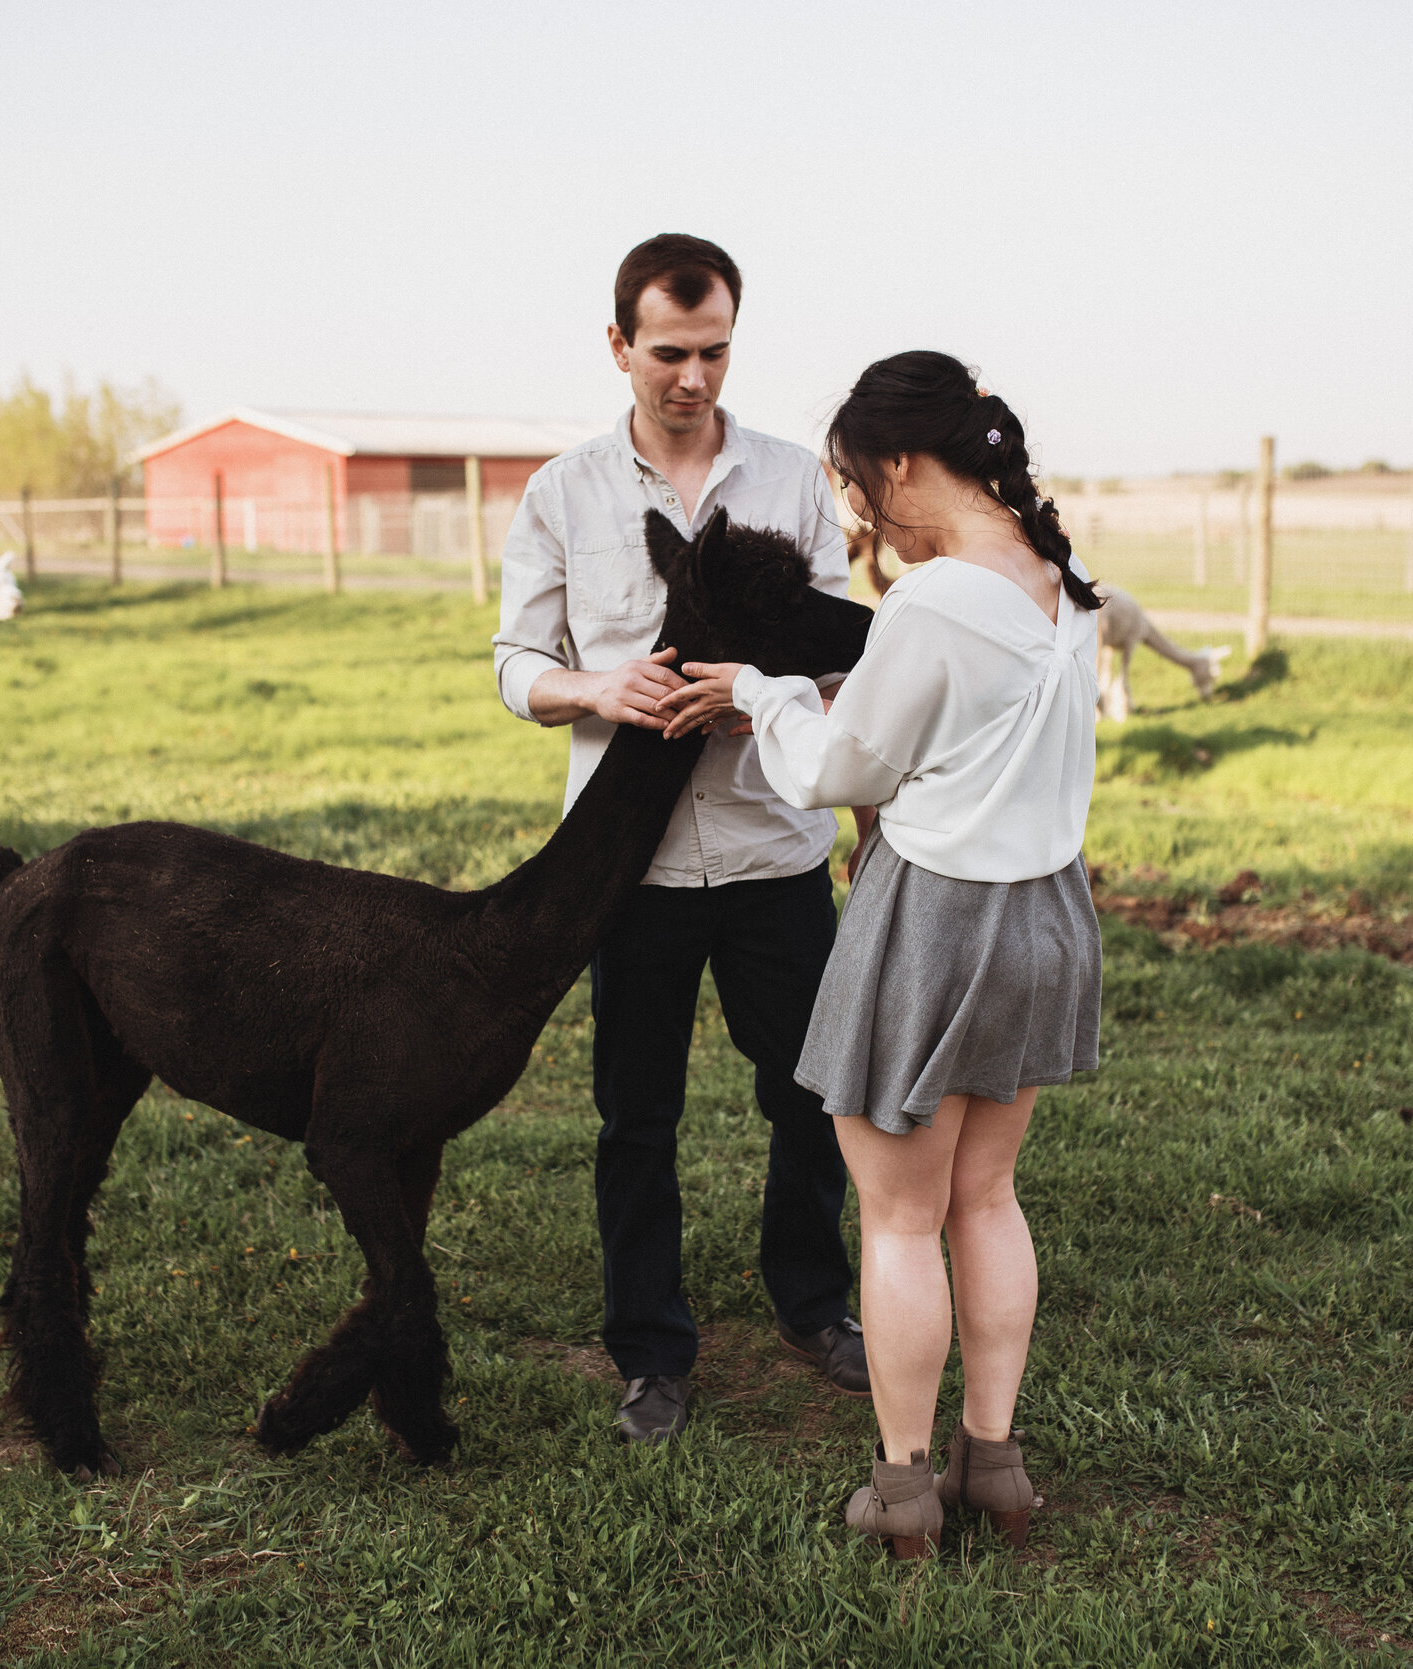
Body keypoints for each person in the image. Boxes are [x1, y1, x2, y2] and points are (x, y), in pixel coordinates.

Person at [661, 351, 1105, 1555]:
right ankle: (996, 1467)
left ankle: (904, 1491)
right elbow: (975, 729)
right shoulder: (1064, 585)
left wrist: (762, 691)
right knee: (989, 1196)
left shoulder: (934, 600)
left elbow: (831, 771)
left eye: (863, 490)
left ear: (905, 461)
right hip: (1046, 916)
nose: (866, 520)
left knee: (901, 1220)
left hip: (936, 919)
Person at [492, 234, 876, 1443]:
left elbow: (839, 654)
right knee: (635, 1115)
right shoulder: (562, 493)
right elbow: (516, 668)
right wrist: (598, 690)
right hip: (635, 873)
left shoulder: (791, 481)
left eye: (713, 352)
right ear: (620, 346)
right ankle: (651, 1353)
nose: (693, 377)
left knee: (808, 1094)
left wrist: (756, 694)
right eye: (668, 352)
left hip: (773, 848)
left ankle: (813, 1304)